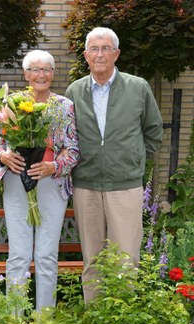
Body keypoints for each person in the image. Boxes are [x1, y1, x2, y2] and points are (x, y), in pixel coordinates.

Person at [65, 27, 163, 302]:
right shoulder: (75, 90)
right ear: (85, 55)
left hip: (125, 186)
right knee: (92, 259)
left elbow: (153, 130)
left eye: (106, 48)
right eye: (94, 49)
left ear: (116, 54)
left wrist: (135, 158)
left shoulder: (138, 87)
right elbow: (67, 135)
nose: (100, 54)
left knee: (126, 258)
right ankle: (94, 315)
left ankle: (123, 316)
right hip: (86, 185)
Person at [0, 50, 79, 311]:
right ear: (25, 74)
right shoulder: (12, 103)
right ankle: (14, 319)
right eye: (35, 69)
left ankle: (44, 319)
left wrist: (54, 166)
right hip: (17, 182)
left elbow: (73, 150)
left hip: (52, 183)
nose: (42, 75)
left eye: (47, 69)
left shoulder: (64, 105)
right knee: (19, 255)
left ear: (53, 73)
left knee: (47, 256)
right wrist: (4, 156)